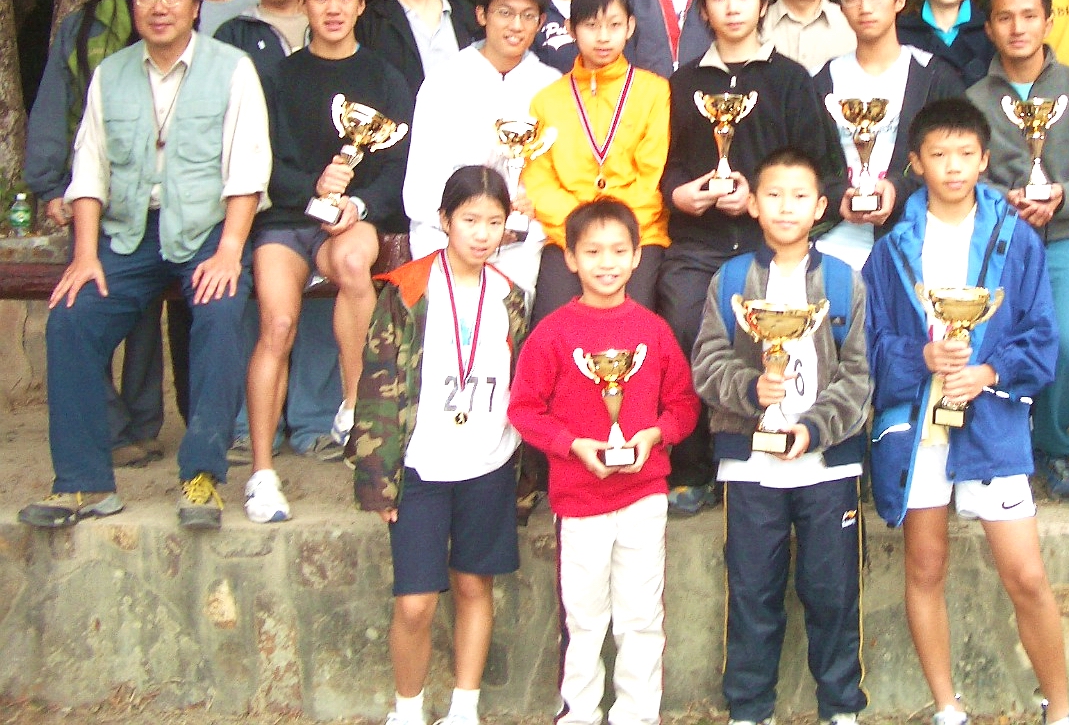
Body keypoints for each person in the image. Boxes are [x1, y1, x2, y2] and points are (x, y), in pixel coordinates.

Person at [18, 0, 269, 530]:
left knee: (220, 316)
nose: (160, 7)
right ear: (132, 7)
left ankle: (201, 476)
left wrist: (230, 250)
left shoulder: (231, 69)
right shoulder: (112, 74)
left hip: (207, 231)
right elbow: (90, 171)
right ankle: (83, 483)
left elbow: (247, 169)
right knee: (71, 318)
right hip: (128, 234)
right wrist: (85, 255)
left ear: (196, 5)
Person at [863, 98, 1069, 725]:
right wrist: (922, 357)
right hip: (919, 424)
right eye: (938, 155)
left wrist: (988, 372)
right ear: (915, 162)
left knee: (1026, 574)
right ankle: (947, 706)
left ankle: (1060, 708)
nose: (952, 167)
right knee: (926, 566)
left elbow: (1041, 333)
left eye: (965, 154)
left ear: (985, 160)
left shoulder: (1016, 239)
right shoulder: (892, 249)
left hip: (991, 421)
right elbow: (872, 344)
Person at [692, 148, 870, 725]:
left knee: (833, 590)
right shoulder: (731, 280)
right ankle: (750, 708)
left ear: (821, 207)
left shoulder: (843, 281)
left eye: (799, 196)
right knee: (752, 590)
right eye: (773, 194)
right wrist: (751, 390)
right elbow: (707, 363)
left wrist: (813, 429)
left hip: (828, 466)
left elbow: (858, 376)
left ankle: (840, 706)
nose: (786, 207)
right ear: (753, 204)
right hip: (750, 465)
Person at [351, 166, 533, 725]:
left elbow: (523, 384)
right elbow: (378, 380)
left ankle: (464, 708)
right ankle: (407, 710)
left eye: (495, 222)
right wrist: (378, 477)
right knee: (415, 602)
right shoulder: (408, 289)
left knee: (475, 584)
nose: (482, 233)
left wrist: (525, 473)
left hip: (488, 461)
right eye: (470, 220)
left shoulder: (510, 295)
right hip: (420, 465)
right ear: (444, 220)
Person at [508, 199, 700, 725]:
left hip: (644, 495)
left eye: (618, 251)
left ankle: (638, 714)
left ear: (638, 256)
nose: (607, 263)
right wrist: (572, 445)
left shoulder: (654, 331)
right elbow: (524, 409)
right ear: (570, 258)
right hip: (579, 499)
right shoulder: (552, 333)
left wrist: (655, 436)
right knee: (584, 618)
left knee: (641, 616)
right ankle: (580, 712)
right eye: (592, 252)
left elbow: (684, 404)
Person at [658, 0, 834, 515]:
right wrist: (681, 194)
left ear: (763, 4)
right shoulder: (683, 82)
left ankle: (767, 448)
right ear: (703, 10)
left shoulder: (789, 79)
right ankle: (693, 464)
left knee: (775, 338)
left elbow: (818, 164)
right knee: (684, 327)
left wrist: (759, 198)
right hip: (700, 241)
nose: (732, 8)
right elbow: (667, 164)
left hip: (771, 243)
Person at [243, 0, 415, 525]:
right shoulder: (278, 78)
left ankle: (351, 406)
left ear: (362, 5)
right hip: (285, 220)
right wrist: (311, 188)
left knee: (355, 264)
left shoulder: (385, 78)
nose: (333, 9)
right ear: (303, 4)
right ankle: (262, 474)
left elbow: (398, 166)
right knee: (277, 325)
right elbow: (260, 159)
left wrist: (356, 204)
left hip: (350, 219)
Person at [23, 0, 168, 466]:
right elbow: (54, 105)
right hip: (91, 191)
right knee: (88, 300)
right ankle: (109, 424)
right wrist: (51, 184)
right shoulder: (78, 27)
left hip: (155, 195)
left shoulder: (169, 19)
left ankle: (144, 422)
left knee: (145, 310)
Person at [967, 0, 1069, 502]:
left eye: (1029, 15)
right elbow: (965, 175)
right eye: (1005, 17)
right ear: (989, 28)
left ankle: (1053, 442)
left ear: (1049, 22)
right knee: (995, 344)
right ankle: (1003, 439)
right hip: (1001, 239)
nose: (1018, 27)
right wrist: (1001, 199)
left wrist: (1061, 196)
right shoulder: (975, 99)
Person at [216, 0, 342, 466]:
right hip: (264, 198)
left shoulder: (335, 26)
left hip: (333, 201)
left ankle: (314, 420)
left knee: (323, 308)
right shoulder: (237, 34)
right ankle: (250, 425)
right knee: (263, 310)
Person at [403, 0, 559, 294]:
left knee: (506, 320)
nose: (516, 25)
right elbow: (421, 181)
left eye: (528, 15)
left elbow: (558, 172)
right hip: (445, 234)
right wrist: (467, 223)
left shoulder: (551, 86)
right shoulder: (445, 80)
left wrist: (532, 209)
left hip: (519, 241)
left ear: (541, 22)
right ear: (481, 15)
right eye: (504, 12)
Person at [814, 0, 968, 269]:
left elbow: (958, 159)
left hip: (916, 238)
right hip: (833, 243)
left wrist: (898, 189)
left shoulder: (934, 77)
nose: (865, 7)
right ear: (840, 6)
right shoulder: (821, 80)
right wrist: (839, 195)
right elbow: (806, 163)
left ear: (899, 0)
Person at [525, 0, 672, 318]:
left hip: (638, 234)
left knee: (633, 320)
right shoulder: (547, 100)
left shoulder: (654, 91)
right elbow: (539, 181)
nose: (603, 37)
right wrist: (581, 231)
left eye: (614, 25)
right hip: (568, 233)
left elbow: (653, 177)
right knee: (553, 320)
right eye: (591, 26)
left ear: (630, 27)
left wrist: (617, 232)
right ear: (570, 29)